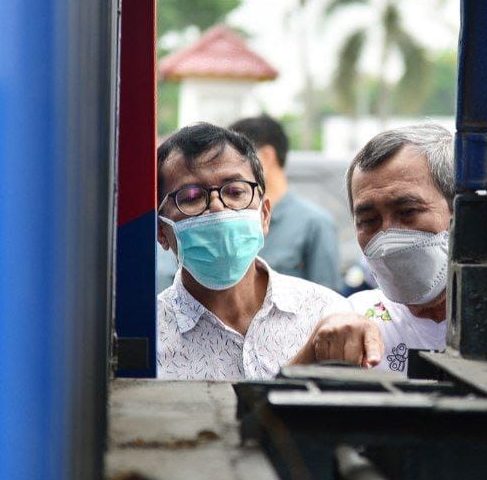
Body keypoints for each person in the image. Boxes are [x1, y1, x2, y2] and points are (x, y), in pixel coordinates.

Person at [155, 123, 372, 379]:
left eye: (235, 191)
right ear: (161, 231)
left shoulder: (326, 313)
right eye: (191, 197)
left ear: (265, 215)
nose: (217, 207)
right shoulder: (149, 338)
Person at [291, 124, 452, 374]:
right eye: (368, 221)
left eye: (408, 212)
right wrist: (315, 351)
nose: (386, 238)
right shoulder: (352, 318)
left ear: (458, 212)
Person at [229, 115, 342, 291]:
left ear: (266, 156)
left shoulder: (315, 224)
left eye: (236, 158)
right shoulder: (231, 223)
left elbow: (329, 304)